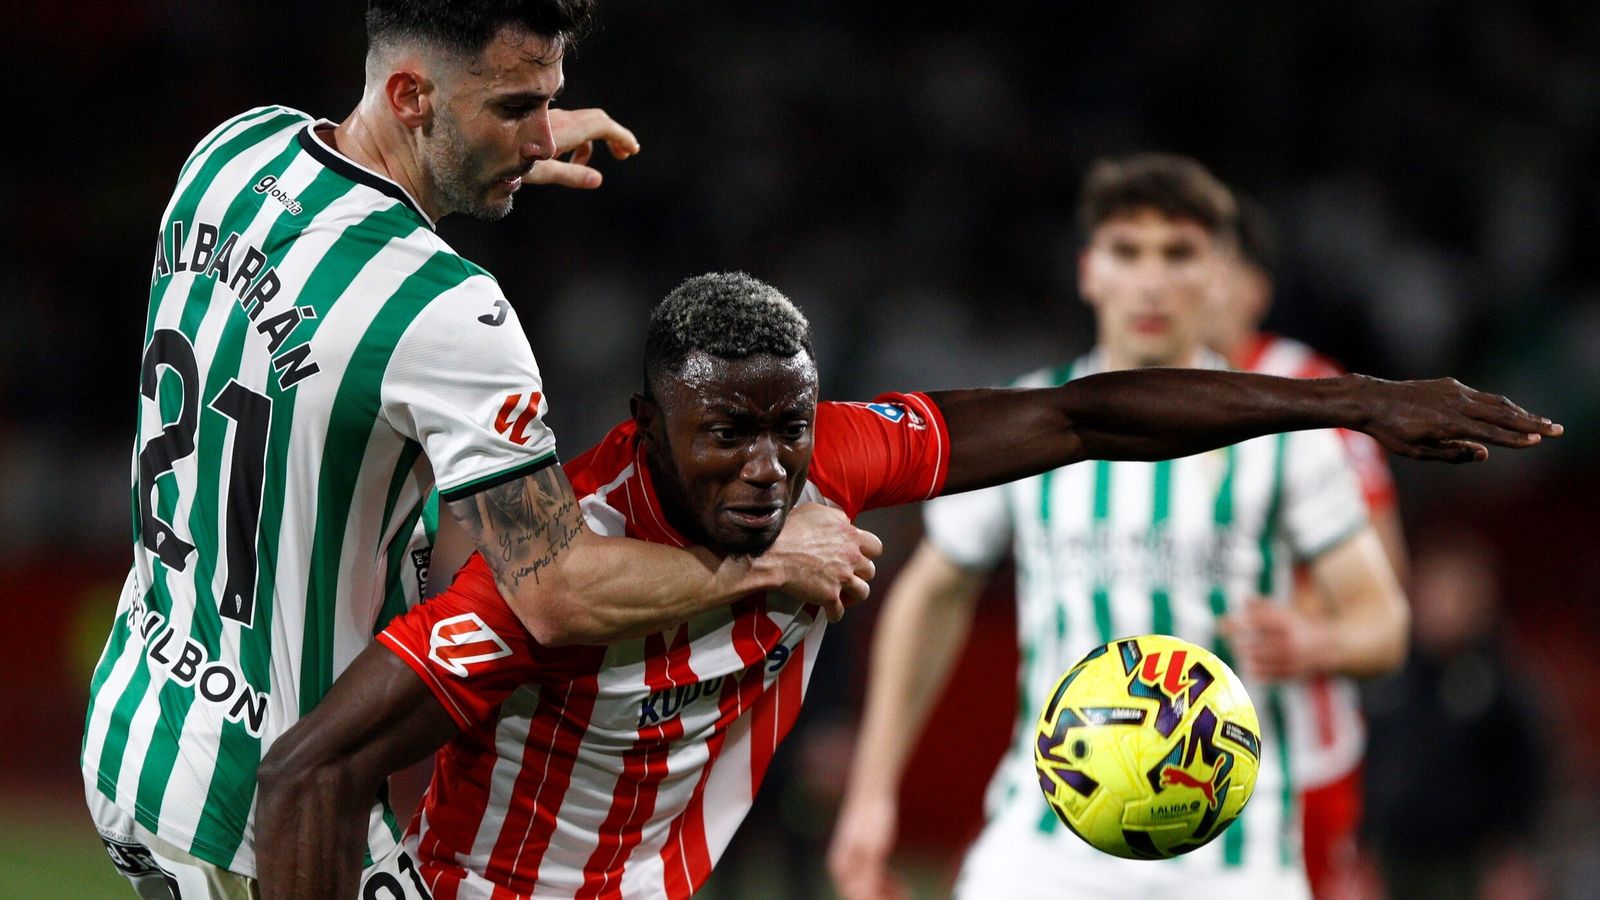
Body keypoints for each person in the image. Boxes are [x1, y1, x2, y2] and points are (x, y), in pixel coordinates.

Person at [254, 270, 1557, 899]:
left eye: (789, 428)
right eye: (725, 437)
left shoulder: (837, 464)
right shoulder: (552, 575)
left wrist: (1349, 403)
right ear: (647, 432)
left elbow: (1084, 418)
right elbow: (310, 768)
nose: (769, 468)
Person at [80, 3, 882, 896]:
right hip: (261, 809)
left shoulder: (233, 151)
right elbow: (555, 589)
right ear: (411, 96)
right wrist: (771, 561)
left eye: (547, 102)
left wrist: (489, 146)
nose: (541, 133)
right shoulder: (452, 313)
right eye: (513, 108)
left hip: (134, 720)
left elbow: (333, 246)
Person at [827, 154, 1475, 900]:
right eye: (1127, 252)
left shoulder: (1290, 439)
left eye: (1179, 254)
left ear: (1220, 276)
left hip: (1235, 849)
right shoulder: (1021, 421)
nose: (1151, 281)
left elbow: (1385, 625)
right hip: (1047, 840)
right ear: (1089, 271)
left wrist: (1317, 642)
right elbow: (931, 593)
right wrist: (871, 794)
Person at [1207, 197, 1407, 898]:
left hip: (1292, 747)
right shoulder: (1125, 394)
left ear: (1254, 288)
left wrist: (1301, 630)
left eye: (1206, 264)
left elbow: (1382, 567)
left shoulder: (1315, 394)